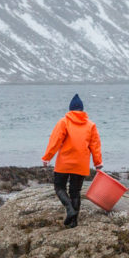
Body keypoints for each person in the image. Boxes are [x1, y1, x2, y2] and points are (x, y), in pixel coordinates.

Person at [41, 93, 102, 228]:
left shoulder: (64, 122)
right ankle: (74, 222)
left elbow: (55, 141)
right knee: (75, 191)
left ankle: (69, 209)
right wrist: (98, 163)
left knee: (59, 187)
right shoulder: (90, 125)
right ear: (82, 109)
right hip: (81, 164)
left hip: (64, 162)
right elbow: (95, 146)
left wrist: (47, 157)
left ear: (70, 109)